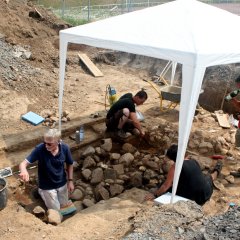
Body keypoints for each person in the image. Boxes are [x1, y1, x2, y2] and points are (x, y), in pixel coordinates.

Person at [145, 144, 223, 205]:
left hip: (195, 199)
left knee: (167, 187)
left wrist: (155, 195)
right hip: (206, 192)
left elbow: (166, 185)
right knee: (209, 177)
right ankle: (217, 169)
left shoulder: (175, 167)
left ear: (171, 158)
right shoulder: (193, 161)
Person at [19, 128, 75, 211]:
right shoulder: (40, 149)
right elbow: (23, 163)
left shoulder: (65, 148)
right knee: (56, 210)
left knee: (64, 205)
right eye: (45, 142)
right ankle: (41, 192)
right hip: (47, 186)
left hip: (62, 183)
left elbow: (70, 164)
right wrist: (23, 170)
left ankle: (44, 193)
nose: (46, 145)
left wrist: (70, 181)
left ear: (58, 141)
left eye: (49, 144)